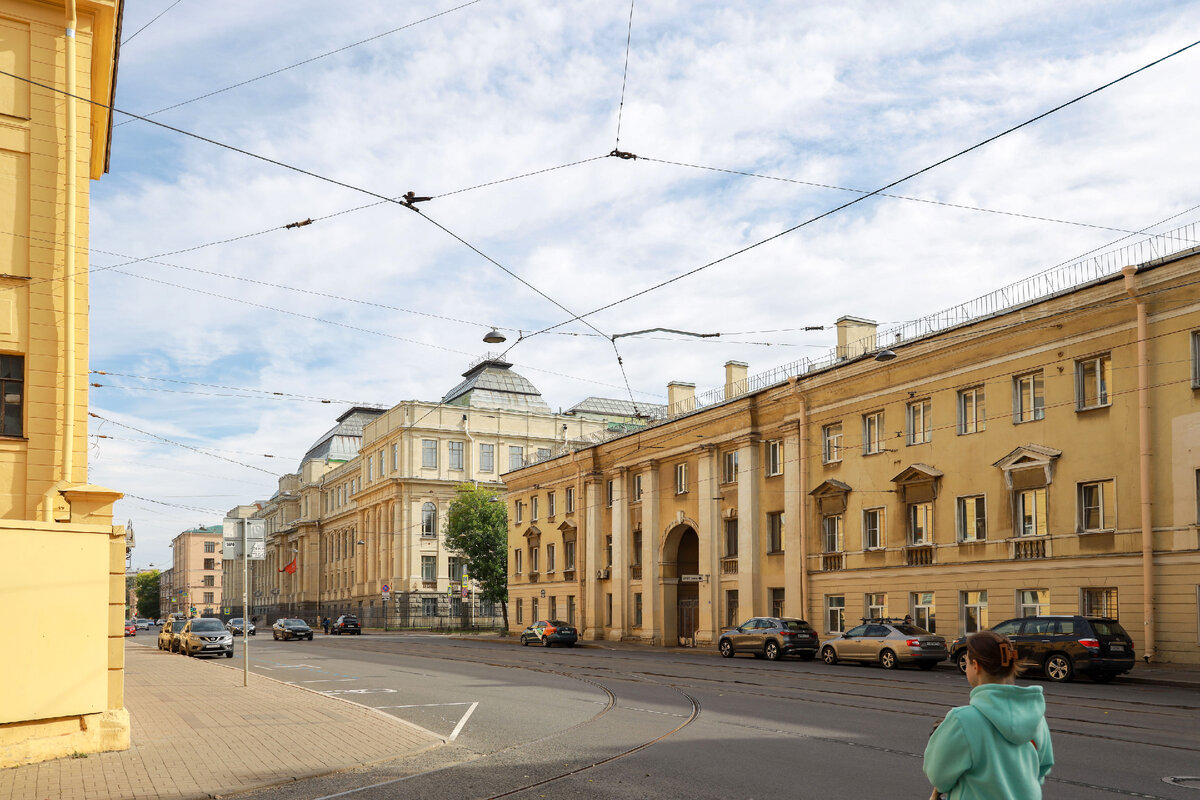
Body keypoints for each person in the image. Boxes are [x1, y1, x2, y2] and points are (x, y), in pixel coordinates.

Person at [923, 630, 1054, 799]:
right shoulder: (1036, 718)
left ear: (976, 666)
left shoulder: (963, 720)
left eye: (967, 662)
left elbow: (938, 777)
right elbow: (1042, 768)